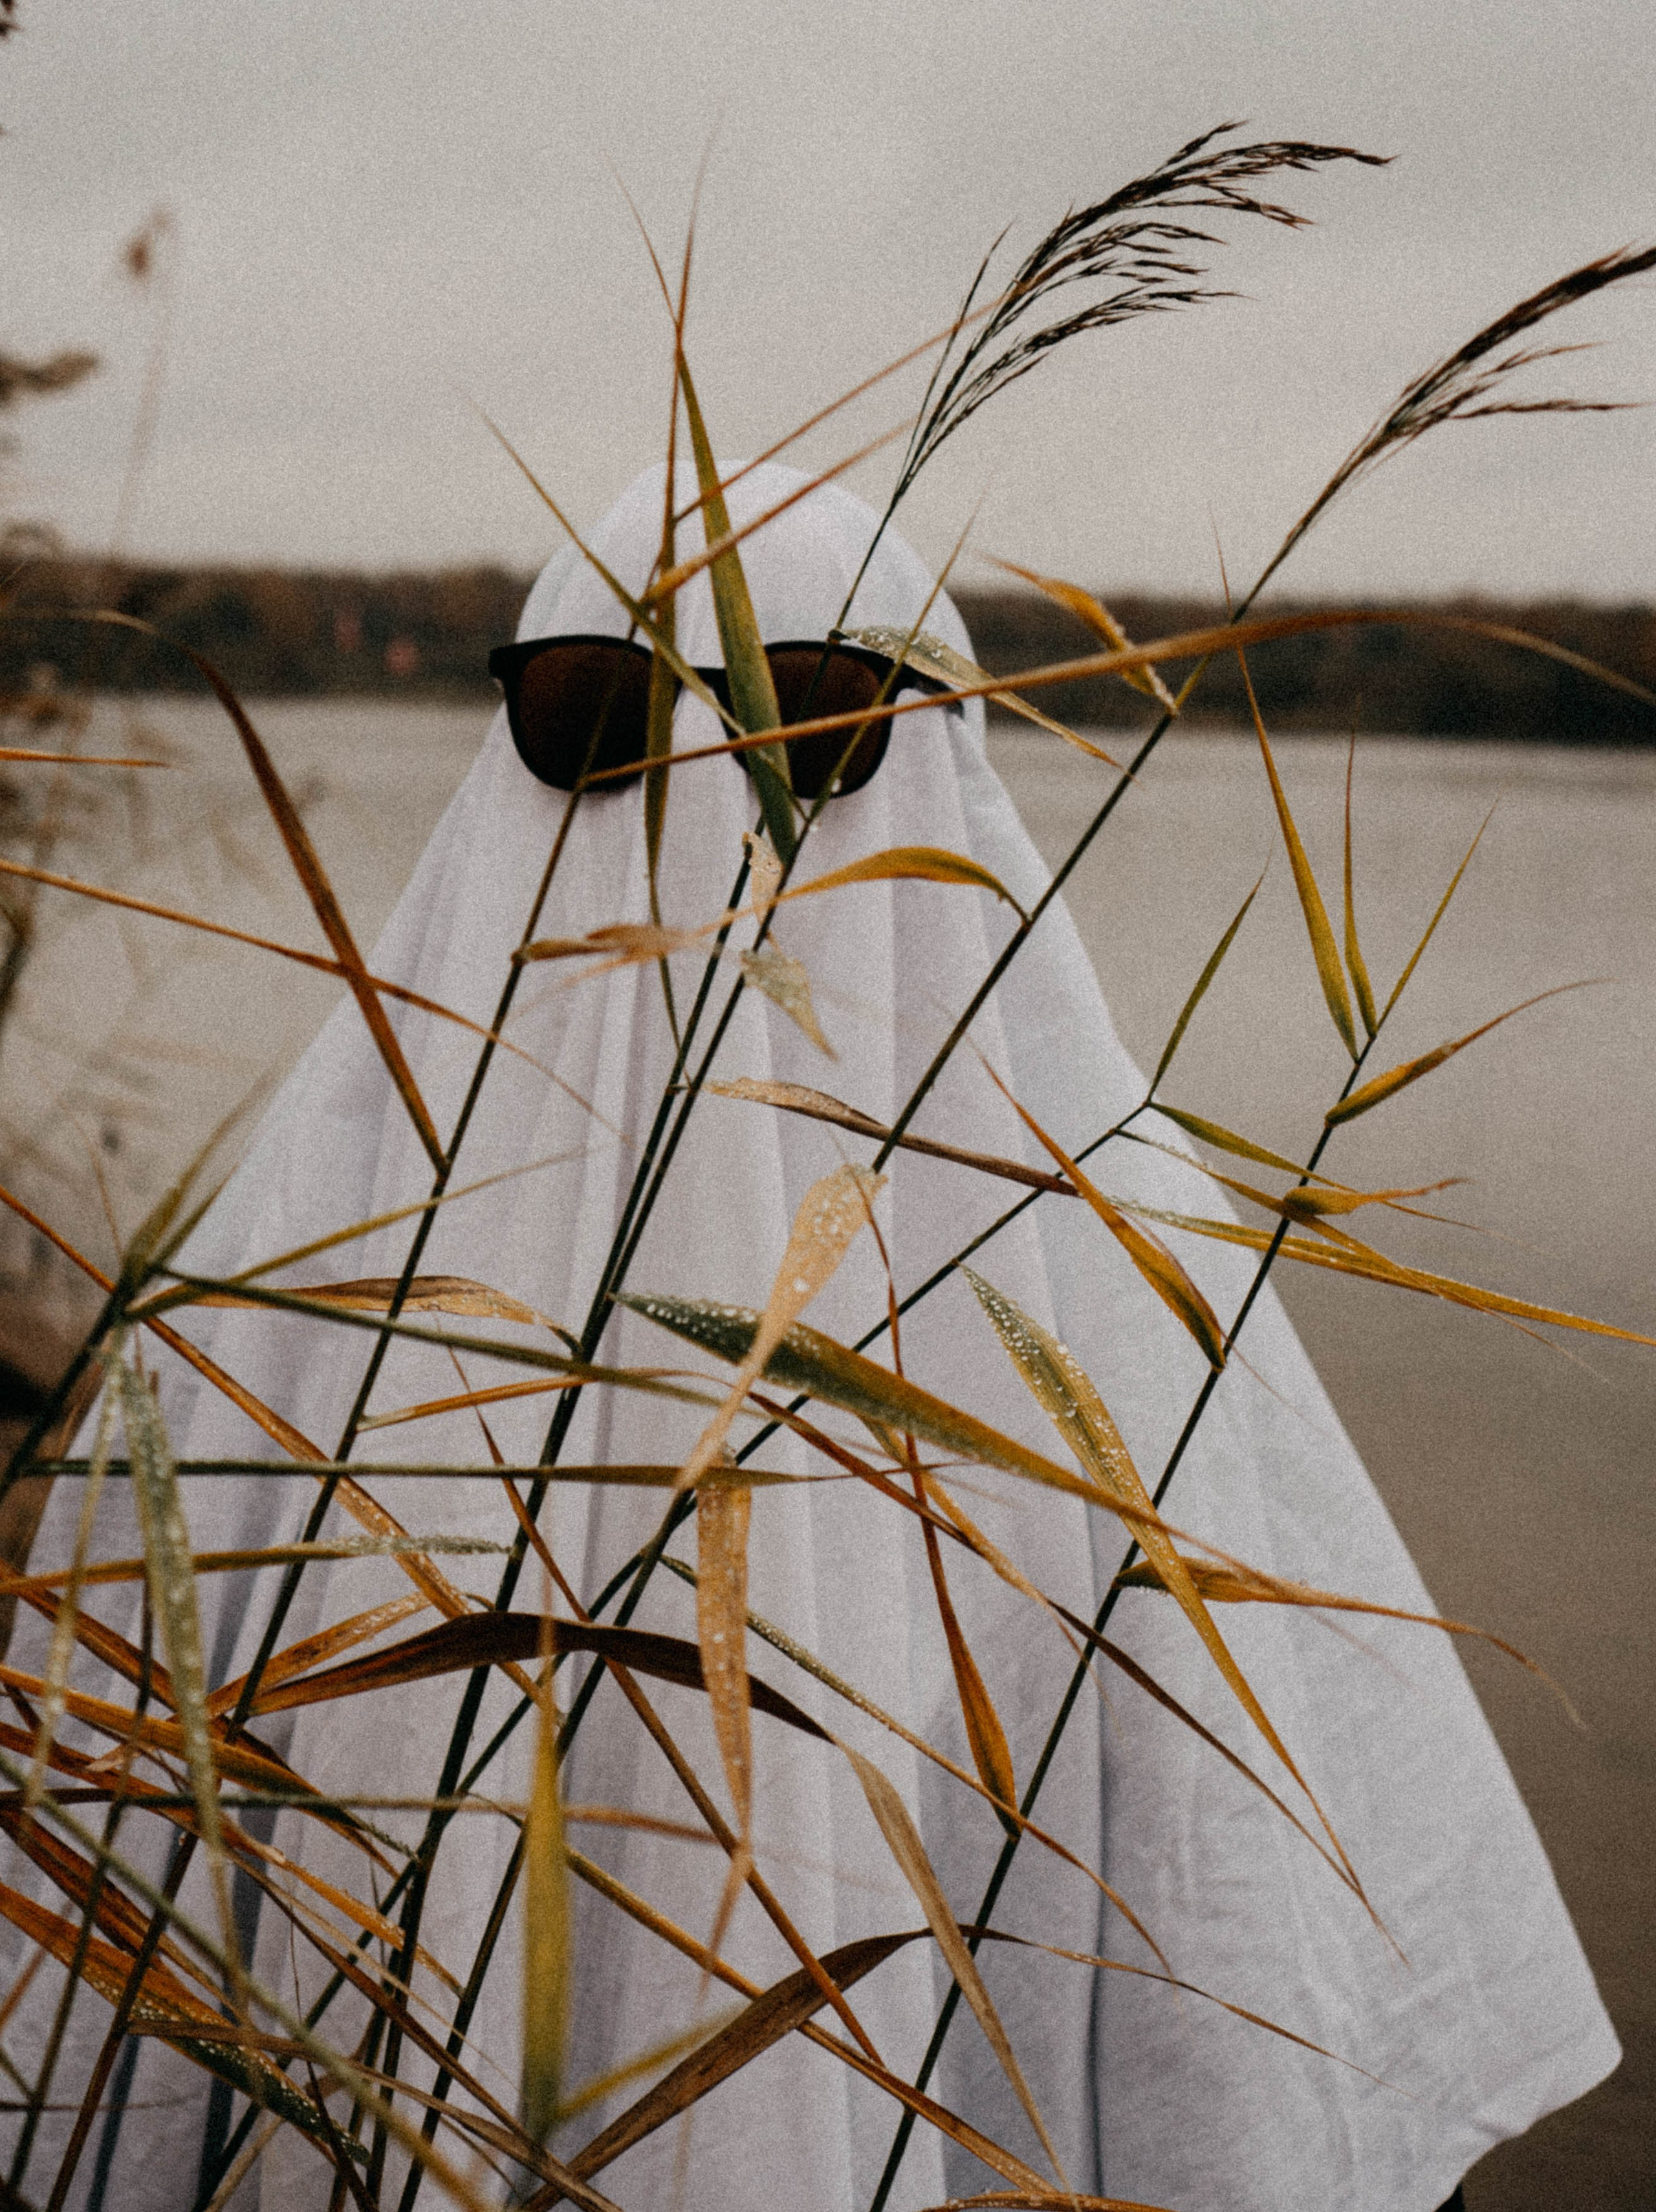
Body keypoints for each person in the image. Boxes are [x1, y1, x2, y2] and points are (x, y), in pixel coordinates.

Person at [10, 463, 1616, 2211]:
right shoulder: (283, 1296)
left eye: (812, 724)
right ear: (521, 739)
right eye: (600, 714)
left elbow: (1258, 2006)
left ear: (930, 747)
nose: (712, 799)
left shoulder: (1120, 1335)